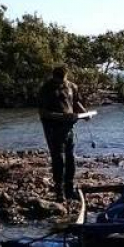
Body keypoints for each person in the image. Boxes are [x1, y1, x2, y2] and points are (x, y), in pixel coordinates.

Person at [38, 66, 90, 201]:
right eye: (58, 80)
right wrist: (62, 116)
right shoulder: (46, 89)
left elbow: (76, 102)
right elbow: (43, 112)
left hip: (69, 128)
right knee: (58, 160)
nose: (62, 82)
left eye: (63, 79)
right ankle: (59, 192)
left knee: (71, 158)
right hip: (53, 129)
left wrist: (84, 113)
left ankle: (69, 189)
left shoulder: (72, 86)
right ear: (53, 76)